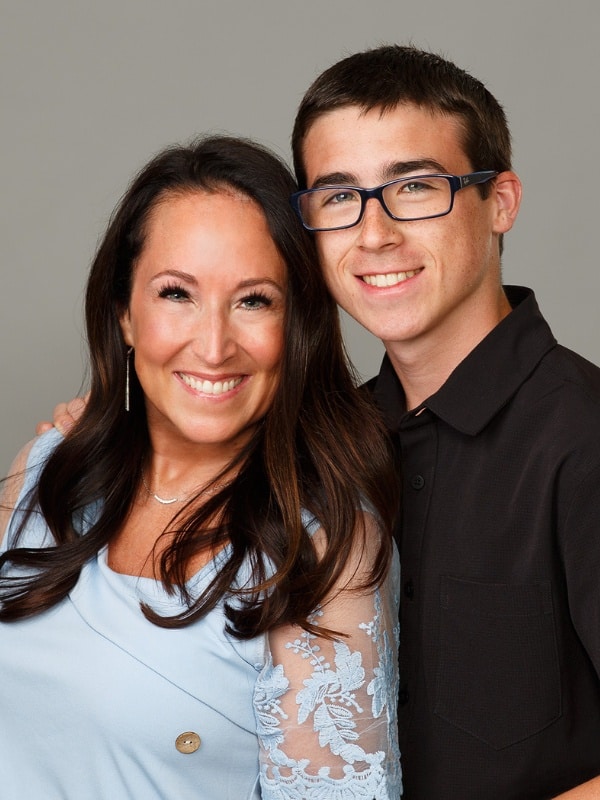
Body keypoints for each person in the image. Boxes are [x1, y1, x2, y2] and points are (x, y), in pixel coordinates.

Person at [0, 136, 402, 799]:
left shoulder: (322, 551)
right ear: (125, 313)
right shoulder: (42, 471)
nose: (213, 346)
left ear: (297, 325)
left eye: (254, 300)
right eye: (176, 293)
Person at [288, 44, 600, 799]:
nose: (375, 233)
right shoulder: (326, 442)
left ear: (501, 202)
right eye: (338, 197)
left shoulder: (584, 435)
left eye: (416, 187)